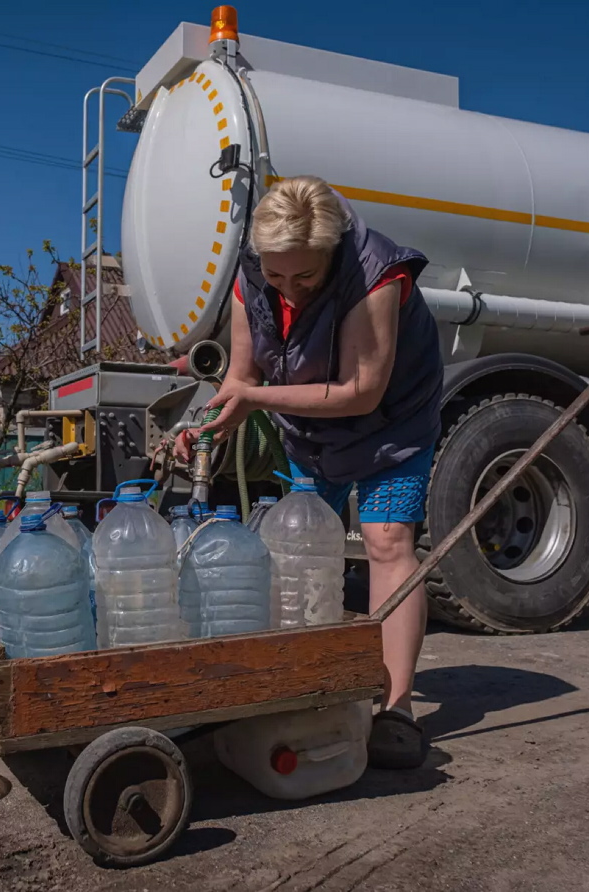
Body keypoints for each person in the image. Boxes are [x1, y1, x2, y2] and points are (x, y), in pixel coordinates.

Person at [176, 176, 443, 770]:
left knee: (386, 539)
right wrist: (203, 427)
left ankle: (397, 708)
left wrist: (258, 399)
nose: (288, 289)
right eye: (276, 276)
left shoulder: (377, 274)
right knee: (296, 543)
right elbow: (241, 376)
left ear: (332, 251)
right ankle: (303, 682)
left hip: (390, 425)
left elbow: (361, 393)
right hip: (309, 424)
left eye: (305, 277)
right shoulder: (254, 275)